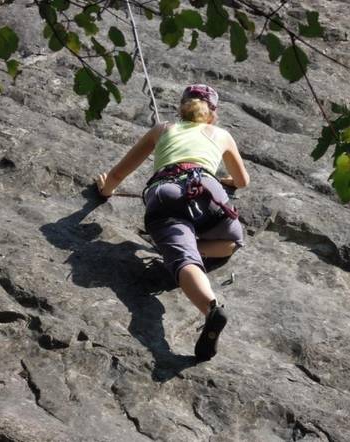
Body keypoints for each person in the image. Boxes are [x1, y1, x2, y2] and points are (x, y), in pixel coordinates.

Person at [96, 84, 249, 361]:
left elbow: (118, 174)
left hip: (166, 192)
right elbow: (242, 181)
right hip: (207, 190)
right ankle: (190, 251)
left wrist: (105, 190)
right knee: (232, 241)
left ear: (181, 108)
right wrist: (224, 181)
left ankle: (211, 307)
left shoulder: (162, 129)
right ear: (212, 114)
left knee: (184, 261)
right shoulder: (222, 134)